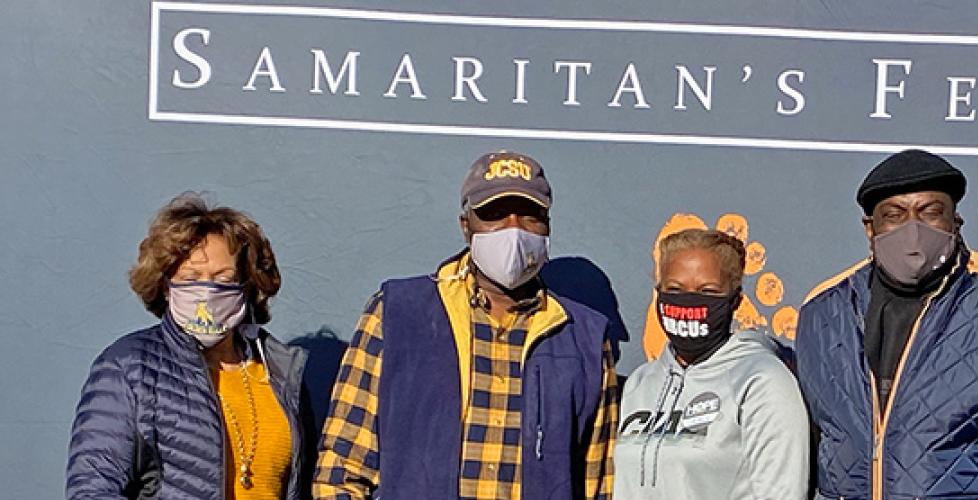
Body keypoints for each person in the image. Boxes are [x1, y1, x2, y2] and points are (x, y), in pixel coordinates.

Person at [312, 151, 618, 499]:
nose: (513, 229)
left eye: (529, 215)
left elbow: (599, 486)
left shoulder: (586, 339)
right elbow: (341, 470)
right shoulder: (397, 314)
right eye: (494, 214)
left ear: (547, 226)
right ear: (466, 225)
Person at [796, 149, 978, 499]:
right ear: (870, 228)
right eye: (894, 215)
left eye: (930, 212)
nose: (913, 229)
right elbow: (807, 450)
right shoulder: (823, 312)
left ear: (955, 222)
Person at [66, 193, 312, 500]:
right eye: (190, 278)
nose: (206, 292)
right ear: (166, 286)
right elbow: (93, 488)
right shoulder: (128, 367)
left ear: (247, 286)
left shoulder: (279, 371)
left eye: (223, 279)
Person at [614, 229, 809, 499]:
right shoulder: (639, 383)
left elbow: (781, 492)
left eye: (707, 291)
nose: (689, 301)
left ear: (735, 300)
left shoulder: (762, 381)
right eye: (675, 289)